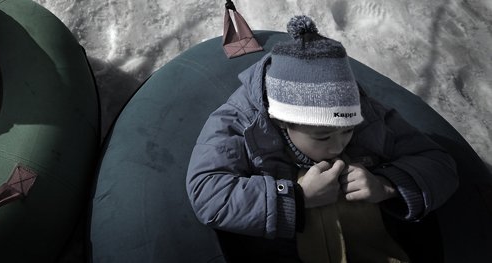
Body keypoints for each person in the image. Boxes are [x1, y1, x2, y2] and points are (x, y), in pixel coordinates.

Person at [186, 15, 459, 262]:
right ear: (282, 121)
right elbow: (208, 192)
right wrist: (298, 197)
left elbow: (438, 162)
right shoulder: (242, 122)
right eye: (324, 136)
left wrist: (386, 185)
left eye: (348, 130)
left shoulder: (365, 114)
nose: (339, 145)